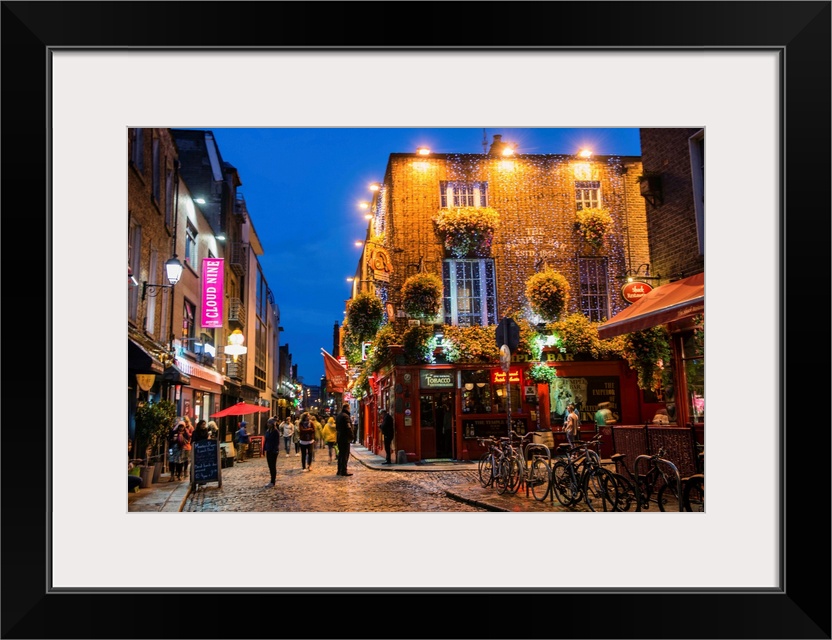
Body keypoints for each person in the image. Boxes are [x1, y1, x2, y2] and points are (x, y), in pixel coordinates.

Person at [335, 403, 353, 476]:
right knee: (345, 454)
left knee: (341, 454)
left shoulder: (339, 416)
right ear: (347, 408)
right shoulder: (345, 416)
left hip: (339, 437)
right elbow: (348, 427)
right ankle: (344, 471)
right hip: (345, 437)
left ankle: (339, 470)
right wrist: (351, 436)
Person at [263, 416, 281, 487]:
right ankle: (271, 481)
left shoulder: (275, 432)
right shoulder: (268, 431)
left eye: (269, 423)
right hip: (268, 450)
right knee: (270, 466)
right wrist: (264, 449)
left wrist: (275, 450)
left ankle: (272, 481)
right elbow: (266, 440)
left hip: (273, 451)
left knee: (273, 466)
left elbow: (276, 442)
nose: (268, 424)